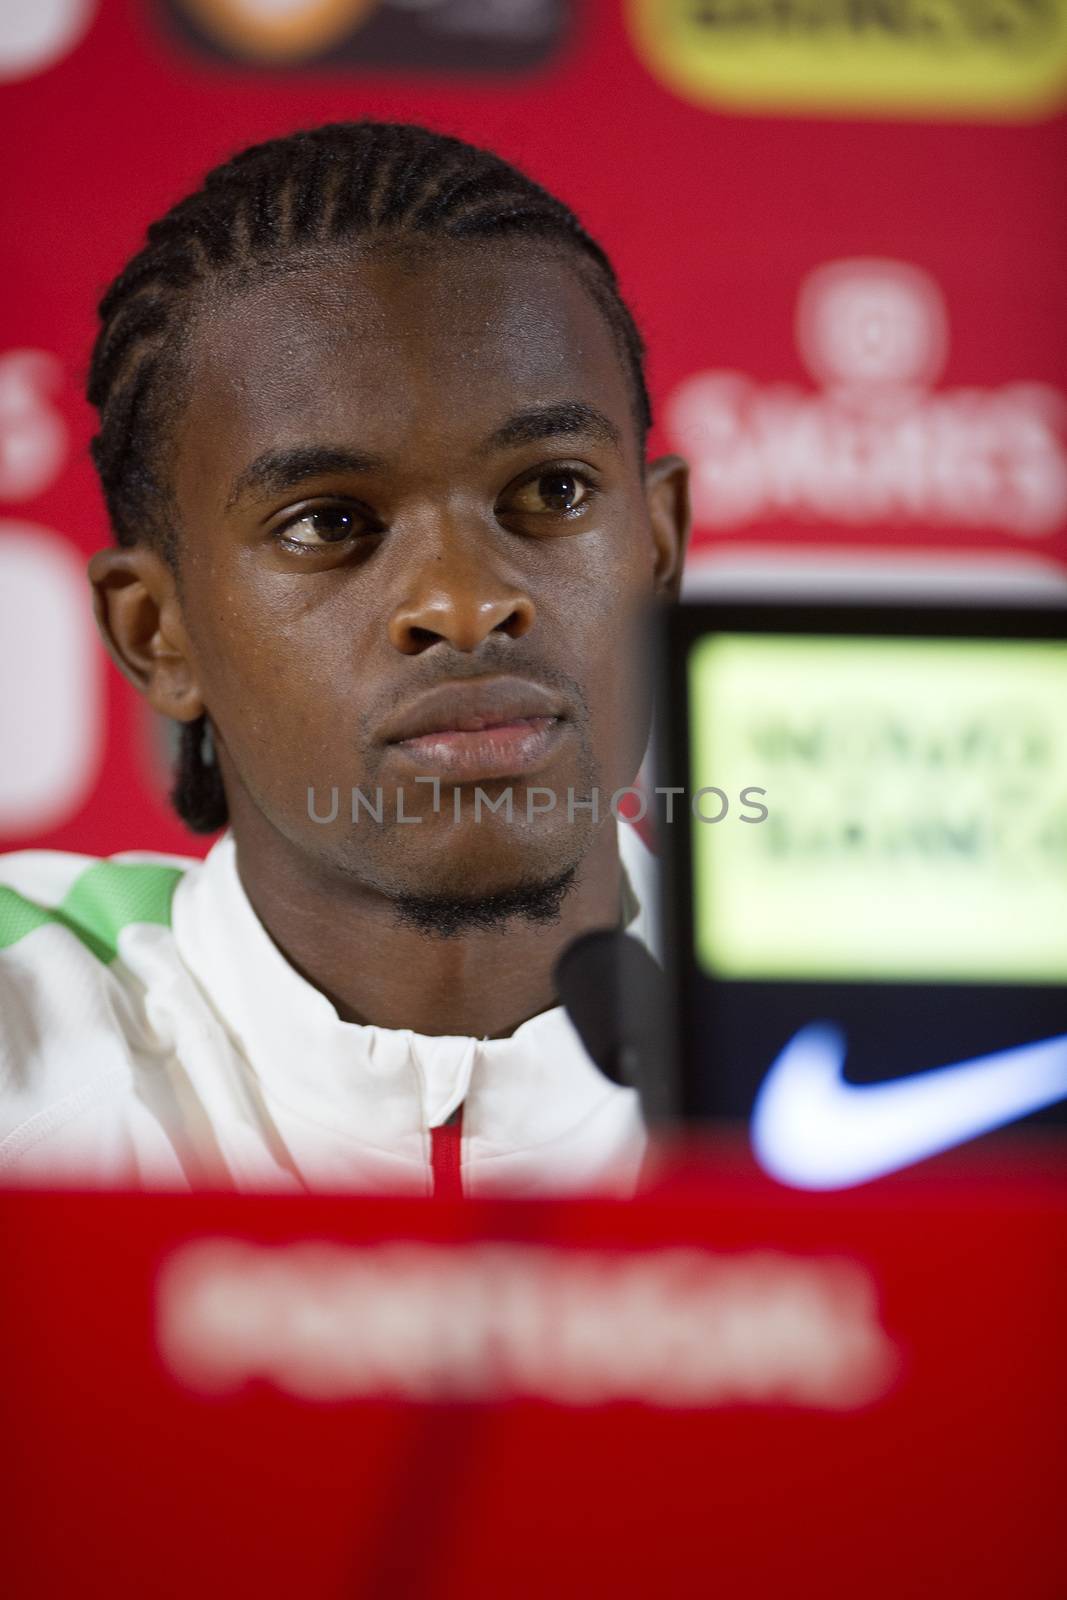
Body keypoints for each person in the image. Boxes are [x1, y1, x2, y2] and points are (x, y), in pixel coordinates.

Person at [0, 121, 690, 1195]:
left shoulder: (935, 1037)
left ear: (658, 548)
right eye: (327, 523)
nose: (464, 605)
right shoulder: (22, 1022)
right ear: (156, 631)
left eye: (551, 491)